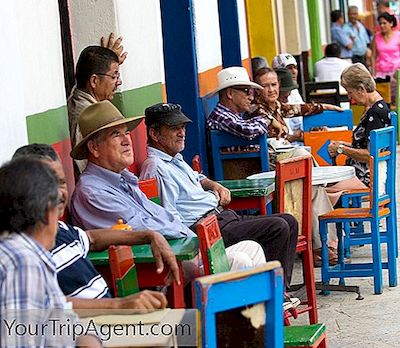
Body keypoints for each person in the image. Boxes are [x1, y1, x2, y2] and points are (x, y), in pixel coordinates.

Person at [69, 101, 274, 278]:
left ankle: (254, 321)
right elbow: (142, 230)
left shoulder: (122, 179)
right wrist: (190, 239)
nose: (127, 141)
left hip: (182, 250)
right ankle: (237, 323)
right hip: (160, 271)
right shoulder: (92, 192)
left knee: (252, 249)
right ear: (94, 148)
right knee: (240, 260)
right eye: (116, 135)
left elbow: (161, 216)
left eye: (127, 133)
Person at [141, 102, 299, 295]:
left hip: (221, 217)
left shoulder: (174, 158)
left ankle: (281, 289)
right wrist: (200, 245)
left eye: (182, 127)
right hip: (205, 229)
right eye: (174, 129)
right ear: (155, 134)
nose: (182, 133)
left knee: (289, 221)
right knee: (277, 228)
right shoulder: (157, 167)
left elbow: (197, 177)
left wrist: (213, 185)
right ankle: (277, 293)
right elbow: (169, 217)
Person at [12, 143, 172, 311]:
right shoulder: (19, 248)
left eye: (61, 183)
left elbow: (92, 238)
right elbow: (40, 303)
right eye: (45, 185)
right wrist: (118, 305)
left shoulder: (62, 230)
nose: (58, 193)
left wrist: (149, 236)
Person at [0, 158, 100, 347]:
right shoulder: (23, 262)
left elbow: (62, 320)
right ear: (48, 212)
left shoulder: (28, 254)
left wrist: (89, 337)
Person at [328, 63, 391, 189]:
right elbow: (365, 145)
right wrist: (343, 145)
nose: (350, 97)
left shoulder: (375, 113)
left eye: (350, 92)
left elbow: (370, 155)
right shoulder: (377, 108)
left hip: (366, 176)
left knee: (324, 192)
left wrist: (341, 149)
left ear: (361, 89)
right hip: (362, 173)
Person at [206, 66, 286, 140]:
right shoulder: (221, 116)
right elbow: (248, 130)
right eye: (247, 91)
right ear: (230, 93)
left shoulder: (230, 115)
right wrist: (269, 120)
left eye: (251, 92)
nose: (251, 97)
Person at [271, 53, 304, 135]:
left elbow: (301, 115)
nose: (293, 72)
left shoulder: (294, 91)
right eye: (289, 68)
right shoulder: (271, 103)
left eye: (295, 68)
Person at [371, 12, 400, 103]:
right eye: (380, 23)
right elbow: (373, 56)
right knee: (383, 99)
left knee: (396, 99)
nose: (382, 26)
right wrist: (373, 73)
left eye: (384, 23)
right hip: (381, 73)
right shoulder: (376, 37)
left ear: (391, 23)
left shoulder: (398, 36)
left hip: (396, 71)